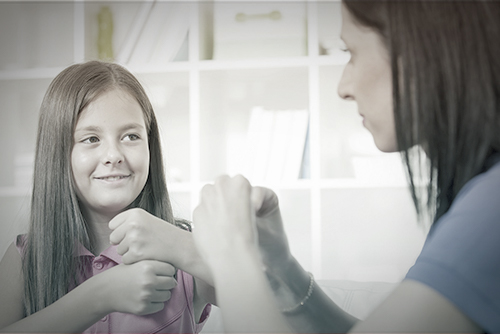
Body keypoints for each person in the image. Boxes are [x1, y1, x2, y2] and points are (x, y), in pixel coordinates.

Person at [192, 1, 500, 333]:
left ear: (421, 51)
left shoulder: (491, 208)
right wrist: (284, 270)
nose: (343, 88)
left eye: (350, 52)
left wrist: (232, 256)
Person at [0, 60, 214, 333]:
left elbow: (279, 302)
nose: (114, 155)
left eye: (131, 136)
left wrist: (183, 247)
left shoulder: (187, 257)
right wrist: (99, 295)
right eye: (91, 139)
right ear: (58, 153)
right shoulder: (23, 259)